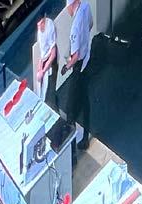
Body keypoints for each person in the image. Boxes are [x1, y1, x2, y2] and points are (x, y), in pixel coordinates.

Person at [61, 0, 93, 150]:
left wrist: (66, 67)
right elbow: (91, 24)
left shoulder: (74, 27)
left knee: (70, 108)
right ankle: (85, 137)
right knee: (85, 100)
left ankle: (72, 150)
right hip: (87, 59)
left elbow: (74, 57)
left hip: (78, 66)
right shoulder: (85, 6)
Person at [35, 11, 58, 109]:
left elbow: (53, 54)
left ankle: (54, 111)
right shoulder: (39, 30)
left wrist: (43, 71)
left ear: (44, 19)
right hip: (45, 61)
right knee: (42, 92)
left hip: (51, 62)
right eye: (38, 25)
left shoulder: (50, 27)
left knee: (50, 93)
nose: (40, 27)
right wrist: (40, 67)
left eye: (41, 23)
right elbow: (42, 52)